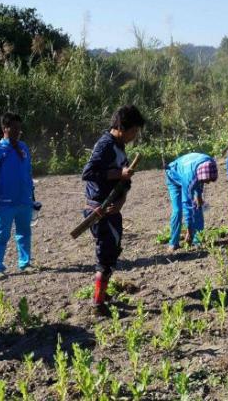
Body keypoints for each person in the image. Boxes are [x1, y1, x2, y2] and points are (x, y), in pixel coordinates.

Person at [81, 105, 145, 314]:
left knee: (113, 250)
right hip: (100, 209)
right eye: (133, 131)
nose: (134, 136)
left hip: (112, 208)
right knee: (106, 254)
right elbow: (89, 173)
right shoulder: (105, 145)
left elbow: (124, 180)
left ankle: (102, 291)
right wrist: (120, 173)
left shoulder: (118, 145)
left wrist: (122, 198)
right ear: (121, 127)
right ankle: (97, 304)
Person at [0, 112, 37, 280]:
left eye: (19, 128)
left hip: (24, 200)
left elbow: (28, 173)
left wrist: (32, 196)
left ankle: (25, 263)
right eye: (14, 128)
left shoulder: (23, 148)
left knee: (24, 232)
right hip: (5, 202)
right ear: (4, 128)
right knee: (0, 236)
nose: (17, 131)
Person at [165, 153, 218, 250]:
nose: (208, 182)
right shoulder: (190, 178)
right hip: (173, 176)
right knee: (178, 210)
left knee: (198, 206)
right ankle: (174, 242)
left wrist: (199, 195)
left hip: (190, 173)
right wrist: (189, 230)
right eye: (207, 180)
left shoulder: (210, 163)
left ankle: (198, 240)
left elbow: (201, 179)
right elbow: (187, 205)